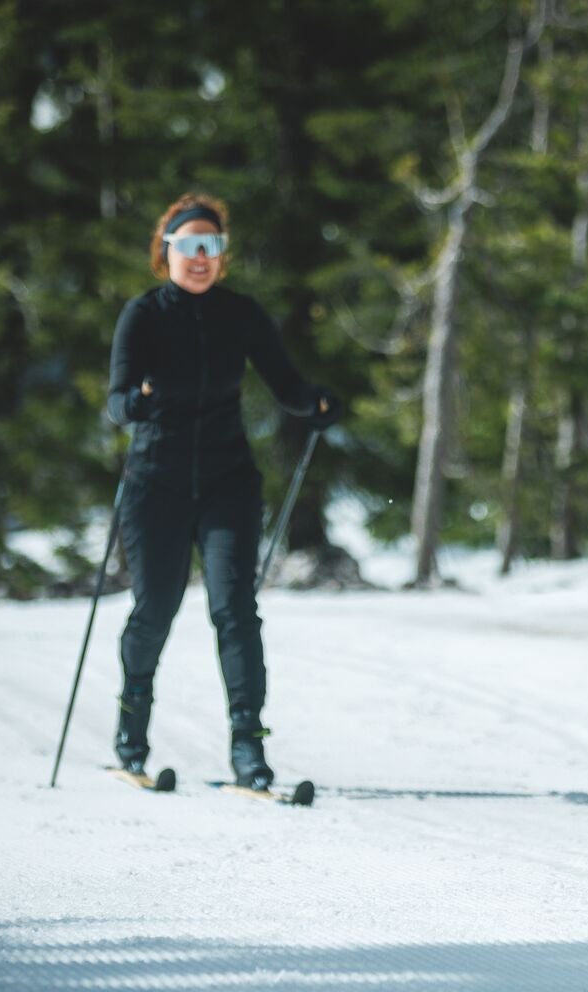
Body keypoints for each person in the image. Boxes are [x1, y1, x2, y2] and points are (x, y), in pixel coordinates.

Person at [104, 193, 343, 789]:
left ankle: (247, 746)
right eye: (189, 246)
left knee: (234, 610)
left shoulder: (242, 314)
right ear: (167, 252)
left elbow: (285, 382)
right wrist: (138, 402)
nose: (201, 257)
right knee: (155, 608)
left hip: (226, 484)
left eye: (211, 245)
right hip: (154, 485)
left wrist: (314, 402)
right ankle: (132, 730)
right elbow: (117, 400)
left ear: (223, 255)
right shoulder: (144, 314)